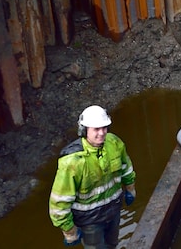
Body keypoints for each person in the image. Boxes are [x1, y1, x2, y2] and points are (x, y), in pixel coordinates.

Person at [49, 105, 137, 248]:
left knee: (113, 244)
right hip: (90, 220)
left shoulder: (114, 143)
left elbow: (126, 167)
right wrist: (69, 231)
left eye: (104, 128)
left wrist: (130, 187)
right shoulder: (72, 161)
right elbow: (59, 202)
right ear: (84, 130)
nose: (101, 133)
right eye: (96, 129)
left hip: (113, 210)